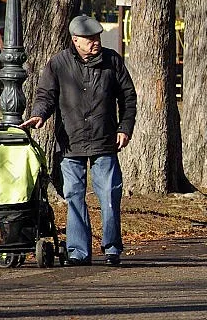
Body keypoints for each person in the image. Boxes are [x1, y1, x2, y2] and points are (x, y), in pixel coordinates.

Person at [21, 15, 137, 266]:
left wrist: (124, 128)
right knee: (74, 196)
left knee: (109, 195)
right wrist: (39, 115)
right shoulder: (58, 64)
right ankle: (78, 251)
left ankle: (112, 248)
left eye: (97, 37)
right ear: (76, 40)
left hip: (105, 141)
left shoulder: (112, 61)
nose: (96, 42)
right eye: (90, 39)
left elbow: (128, 98)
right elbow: (46, 95)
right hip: (70, 142)